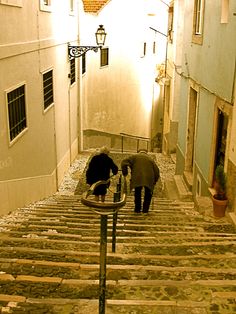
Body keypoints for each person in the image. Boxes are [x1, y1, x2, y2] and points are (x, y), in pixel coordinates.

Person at [121, 149, 160, 214]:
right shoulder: (150, 159)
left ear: (138, 152)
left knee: (137, 192)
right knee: (148, 194)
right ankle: (145, 210)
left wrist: (125, 172)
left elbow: (123, 162)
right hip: (149, 178)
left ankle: (137, 209)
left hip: (137, 177)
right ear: (146, 153)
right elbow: (157, 171)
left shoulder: (134, 156)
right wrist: (155, 181)